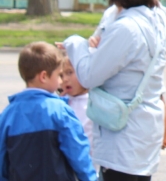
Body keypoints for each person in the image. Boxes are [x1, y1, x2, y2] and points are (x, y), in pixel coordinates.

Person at [63, 0, 166, 181]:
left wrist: (75, 43)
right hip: (146, 132)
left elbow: (89, 76)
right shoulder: (156, 22)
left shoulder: (125, 28)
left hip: (124, 138)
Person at [0, 42, 96, 181]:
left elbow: (2, 161)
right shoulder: (60, 111)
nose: (61, 81)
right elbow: (78, 154)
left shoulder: (7, 115)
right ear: (44, 76)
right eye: (58, 75)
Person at [62, 56, 93, 152]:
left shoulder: (92, 103)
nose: (65, 79)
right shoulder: (62, 103)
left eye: (69, 72)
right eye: (61, 75)